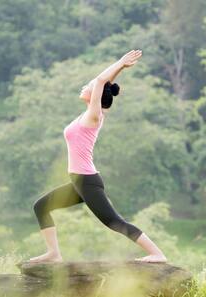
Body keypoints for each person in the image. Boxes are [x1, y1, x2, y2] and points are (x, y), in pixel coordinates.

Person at [29, 50, 167, 264]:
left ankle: (157, 253)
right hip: (78, 181)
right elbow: (102, 82)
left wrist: (120, 64)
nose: (85, 87)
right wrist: (116, 72)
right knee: (41, 206)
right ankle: (53, 254)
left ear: (95, 96)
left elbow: (101, 81)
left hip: (87, 182)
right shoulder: (85, 114)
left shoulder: (94, 116)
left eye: (89, 87)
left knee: (114, 222)